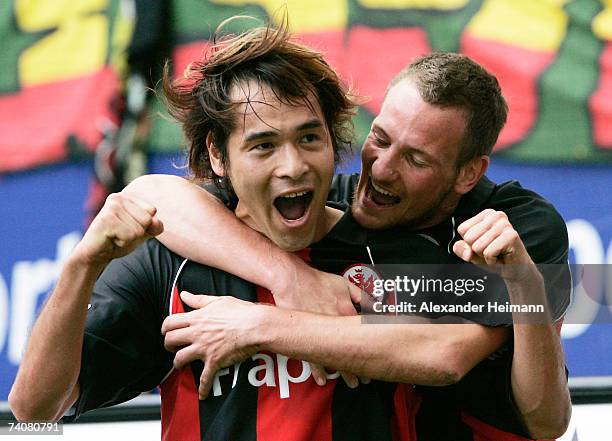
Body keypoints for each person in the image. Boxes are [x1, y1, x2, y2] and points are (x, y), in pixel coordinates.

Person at [9, 20, 498, 440]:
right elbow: (34, 414)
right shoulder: (170, 260)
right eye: (263, 146)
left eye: (310, 137)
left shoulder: (395, 245)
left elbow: (468, 345)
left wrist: (258, 326)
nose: (294, 166)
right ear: (219, 158)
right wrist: (80, 267)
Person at [123, 53, 572, 439]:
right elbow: (150, 198)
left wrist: (257, 325)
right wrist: (291, 278)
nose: (382, 169)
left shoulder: (516, 230)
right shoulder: (332, 201)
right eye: (379, 138)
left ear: (468, 174)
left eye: (415, 159)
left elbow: (529, 409)